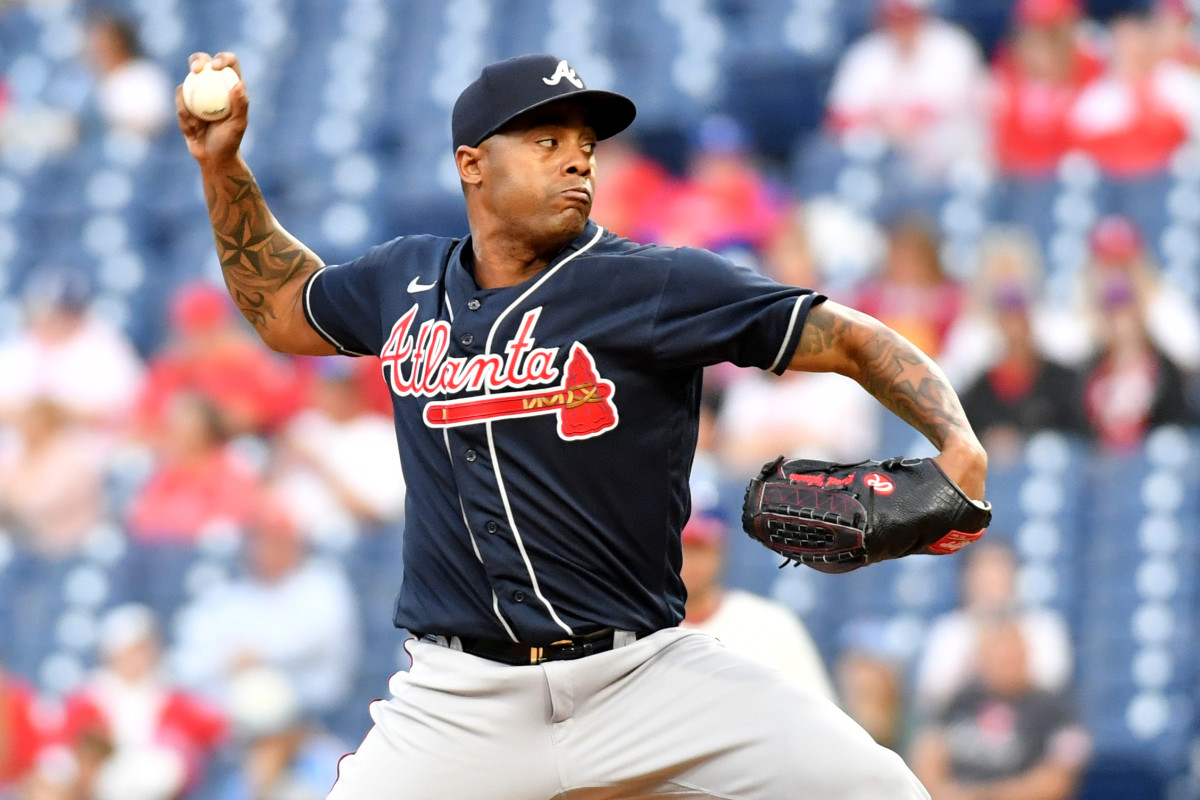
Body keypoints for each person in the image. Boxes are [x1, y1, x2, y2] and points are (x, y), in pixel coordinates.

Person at [178, 50, 988, 799]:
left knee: (884, 792)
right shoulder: (403, 281)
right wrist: (222, 167)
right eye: (546, 139)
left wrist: (957, 442)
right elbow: (284, 308)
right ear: (472, 165)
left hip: (644, 676)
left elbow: (847, 334)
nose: (577, 158)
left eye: (585, 145)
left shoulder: (652, 284)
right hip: (460, 700)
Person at [169, 494, 361, 722]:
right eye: (259, 540)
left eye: (276, 540)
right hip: (234, 716)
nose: (265, 550)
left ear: (295, 543)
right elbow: (190, 655)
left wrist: (260, 653)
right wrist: (230, 660)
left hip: (313, 712)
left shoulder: (322, 584)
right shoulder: (234, 595)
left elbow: (318, 639)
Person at [911, 618, 1091, 800]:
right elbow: (928, 753)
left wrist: (985, 796)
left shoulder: (1055, 708)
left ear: (1027, 654)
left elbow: (1058, 778)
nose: (1006, 662)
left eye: (1013, 655)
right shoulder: (962, 699)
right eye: (999, 655)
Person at [679, 506, 836, 701]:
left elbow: (819, 712)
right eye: (678, 549)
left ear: (721, 551)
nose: (686, 562)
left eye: (698, 550)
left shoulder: (770, 624)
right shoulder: (641, 629)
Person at [914, 540, 1072, 716]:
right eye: (982, 572)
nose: (991, 580)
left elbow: (1053, 679)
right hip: (964, 721)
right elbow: (932, 692)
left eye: (1000, 570)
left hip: (1031, 722)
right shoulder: (949, 630)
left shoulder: (1043, 625)